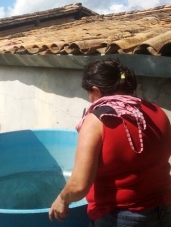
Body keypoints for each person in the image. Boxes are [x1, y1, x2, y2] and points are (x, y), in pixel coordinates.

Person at [49, 58, 171, 226]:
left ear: (96, 90)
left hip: (120, 216)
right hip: (164, 210)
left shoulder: (98, 121)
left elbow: (78, 186)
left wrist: (62, 199)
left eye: (90, 95)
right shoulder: (157, 112)